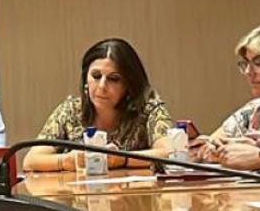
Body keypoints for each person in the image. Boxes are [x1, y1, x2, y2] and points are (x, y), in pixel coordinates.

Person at [23, 38, 173, 171]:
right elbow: (31, 161)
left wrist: (122, 159)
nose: (102, 86)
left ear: (129, 84)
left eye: (114, 79)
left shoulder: (148, 109)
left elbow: (170, 153)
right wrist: (66, 161)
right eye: (96, 76)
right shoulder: (71, 110)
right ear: (85, 80)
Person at [195, 23, 260, 174]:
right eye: (246, 64)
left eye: (258, 63)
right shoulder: (255, 110)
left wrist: (259, 158)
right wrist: (215, 149)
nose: (249, 72)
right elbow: (211, 143)